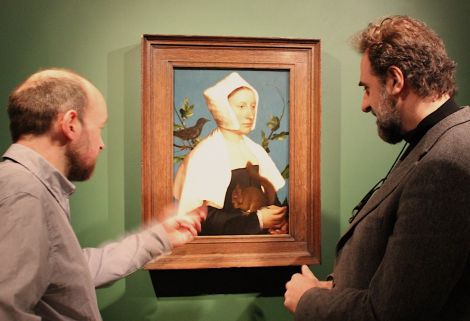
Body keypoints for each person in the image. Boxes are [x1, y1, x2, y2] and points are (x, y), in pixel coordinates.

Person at [284, 15, 470, 321]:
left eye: (367, 89)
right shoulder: (435, 141)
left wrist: (309, 300)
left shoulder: (446, 162)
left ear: (395, 81)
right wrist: (334, 288)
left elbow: (392, 313)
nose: (364, 104)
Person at [0, 68, 207, 321]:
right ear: (71, 124)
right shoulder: (23, 192)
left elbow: (70, 275)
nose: (101, 143)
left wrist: (161, 236)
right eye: (99, 127)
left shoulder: (31, 186)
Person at [173, 72, 288, 235]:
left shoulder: (256, 150)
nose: (250, 114)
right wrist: (258, 221)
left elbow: (270, 201)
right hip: (223, 252)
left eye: (253, 106)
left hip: (262, 246)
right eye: (242, 106)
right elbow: (202, 218)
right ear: (222, 108)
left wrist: (279, 222)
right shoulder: (204, 155)